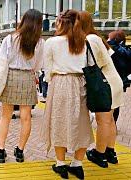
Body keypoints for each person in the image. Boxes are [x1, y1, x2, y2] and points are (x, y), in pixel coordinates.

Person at [41, 10, 94, 179]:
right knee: (82, 123)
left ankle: (61, 164)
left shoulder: (52, 42)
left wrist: (50, 81)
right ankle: (77, 164)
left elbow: (47, 69)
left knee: (59, 122)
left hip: (60, 83)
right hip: (81, 83)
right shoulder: (83, 41)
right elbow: (91, 65)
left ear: (61, 22)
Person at [0, 9, 44, 164]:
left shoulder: (10, 39)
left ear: (23, 20)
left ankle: (1, 151)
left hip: (10, 76)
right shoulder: (40, 42)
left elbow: (2, 60)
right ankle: (20, 150)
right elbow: (38, 66)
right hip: (28, 77)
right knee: (26, 117)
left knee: (5, 116)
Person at [79, 11, 124, 169]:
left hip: (105, 83)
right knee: (110, 120)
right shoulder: (97, 37)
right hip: (113, 81)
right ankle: (110, 152)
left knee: (102, 120)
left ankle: (99, 154)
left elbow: (92, 64)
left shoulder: (89, 39)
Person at [107, 30, 131, 123]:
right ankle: (113, 124)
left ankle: (107, 126)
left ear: (114, 39)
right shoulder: (128, 51)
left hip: (108, 79)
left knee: (106, 103)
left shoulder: (110, 49)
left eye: (109, 38)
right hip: (121, 80)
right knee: (116, 104)